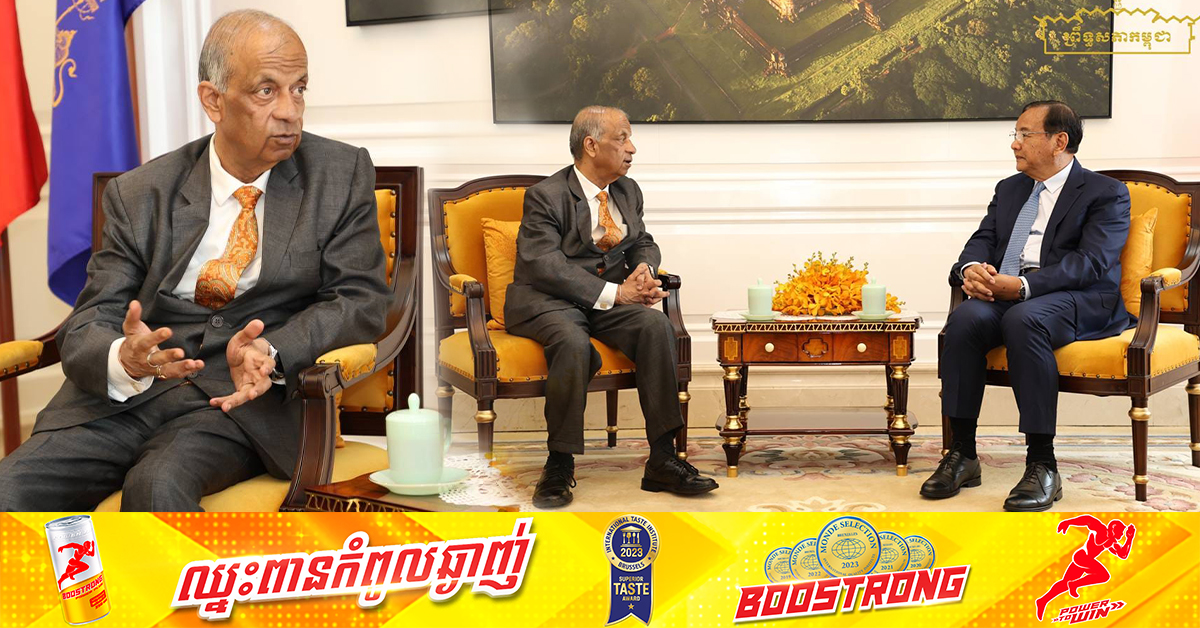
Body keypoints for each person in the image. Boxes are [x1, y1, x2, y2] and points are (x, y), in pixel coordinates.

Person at [0, 10, 390, 511]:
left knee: (158, 485)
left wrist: (273, 349)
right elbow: (91, 318)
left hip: (238, 405)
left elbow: (359, 299)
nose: (290, 111)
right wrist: (123, 357)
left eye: (299, 89)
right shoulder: (141, 193)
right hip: (125, 399)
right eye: (266, 91)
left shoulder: (338, 173)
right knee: (9, 491)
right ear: (213, 100)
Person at [505, 105, 719, 508]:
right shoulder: (546, 196)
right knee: (572, 343)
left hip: (603, 300)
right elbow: (544, 264)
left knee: (656, 327)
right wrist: (617, 294)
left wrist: (643, 270)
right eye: (622, 139)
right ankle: (559, 464)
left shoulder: (627, 190)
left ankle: (662, 459)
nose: (632, 148)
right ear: (591, 145)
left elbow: (642, 241)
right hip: (549, 299)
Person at [927, 100, 1132, 512]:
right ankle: (963, 454)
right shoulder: (1010, 188)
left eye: (1025, 134)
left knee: (1025, 319)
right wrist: (970, 270)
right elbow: (983, 239)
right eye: (1015, 134)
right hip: (1008, 292)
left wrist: (1022, 286)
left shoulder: (1105, 192)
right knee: (964, 319)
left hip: (1077, 298)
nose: (1015, 144)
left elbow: (1091, 262)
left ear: (1059, 141)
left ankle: (1042, 463)